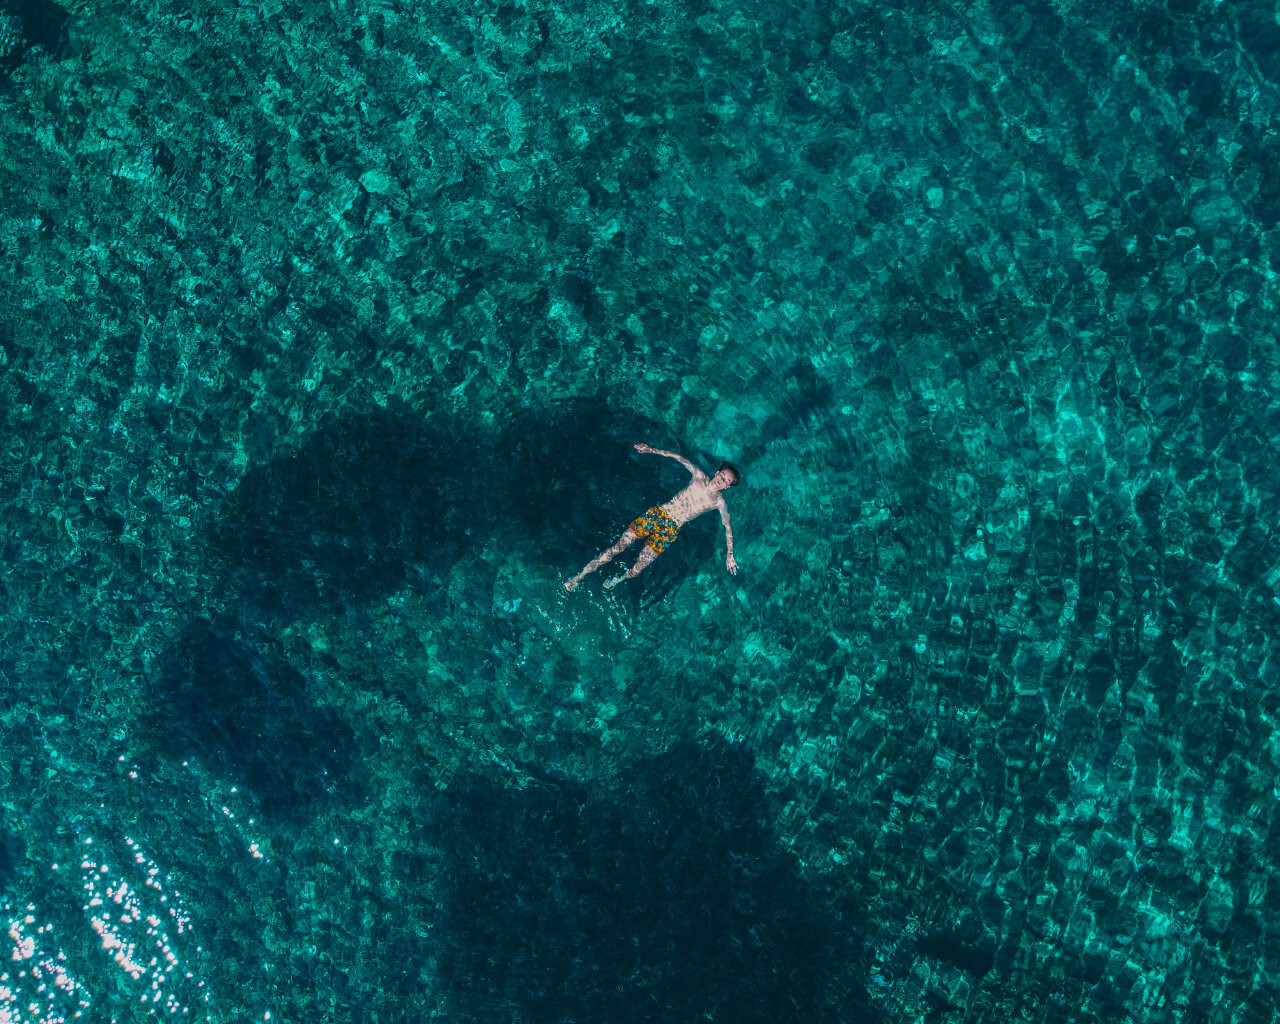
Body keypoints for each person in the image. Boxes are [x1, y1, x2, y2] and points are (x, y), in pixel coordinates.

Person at [564, 443, 740, 591]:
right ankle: (579, 577)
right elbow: (676, 456)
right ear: (717, 472)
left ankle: (618, 579)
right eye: (722, 476)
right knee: (618, 547)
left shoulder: (719, 502)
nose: (721, 480)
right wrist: (650, 449)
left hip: (670, 530)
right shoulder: (698, 476)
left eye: (726, 481)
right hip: (658, 514)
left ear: (727, 487)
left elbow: (728, 527)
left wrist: (730, 555)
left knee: (638, 569)